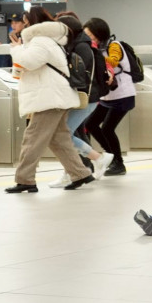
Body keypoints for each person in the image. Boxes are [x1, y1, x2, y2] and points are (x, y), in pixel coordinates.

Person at [4, 7, 94, 193]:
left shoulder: (41, 41)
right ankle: (80, 174)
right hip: (55, 96)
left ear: (31, 23)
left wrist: (16, 49)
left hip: (49, 98)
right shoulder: (48, 40)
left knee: (32, 138)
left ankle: (25, 179)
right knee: (58, 139)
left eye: (24, 22)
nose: (21, 26)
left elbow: (28, 62)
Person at [48, 13, 113, 187]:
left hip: (85, 98)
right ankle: (74, 170)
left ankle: (96, 159)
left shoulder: (81, 47)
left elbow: (79, 75)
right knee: (64, 135)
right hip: (82, 98)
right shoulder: (78, 44)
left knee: (63, 135)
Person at [82, 17, 134, 177]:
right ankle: (110, 157)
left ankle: (118, 163)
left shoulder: (114, 45)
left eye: (91, 35)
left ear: (99, 33)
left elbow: (113, 61)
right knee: (91, 124)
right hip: (107, 97)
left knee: (107, 128)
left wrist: (95, 54)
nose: (89, 38)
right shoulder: (97, 48)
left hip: (123, 95)